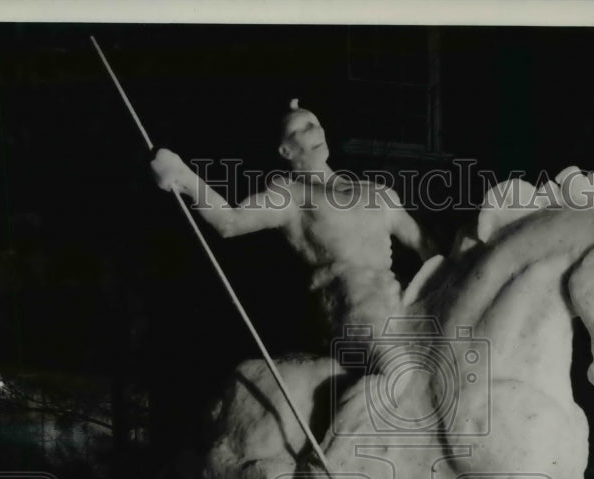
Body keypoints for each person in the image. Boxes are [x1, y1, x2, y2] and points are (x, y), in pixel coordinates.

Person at [150, 100, 437, 369]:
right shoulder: (290, 195)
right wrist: (184, 176)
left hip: (401, 302)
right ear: (286, 151)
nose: (313, 129)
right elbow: (230, 222)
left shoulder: (378, 191)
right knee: (400, 372)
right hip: (351, 309)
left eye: (314, 122)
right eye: (300, 128)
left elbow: (422, 243)